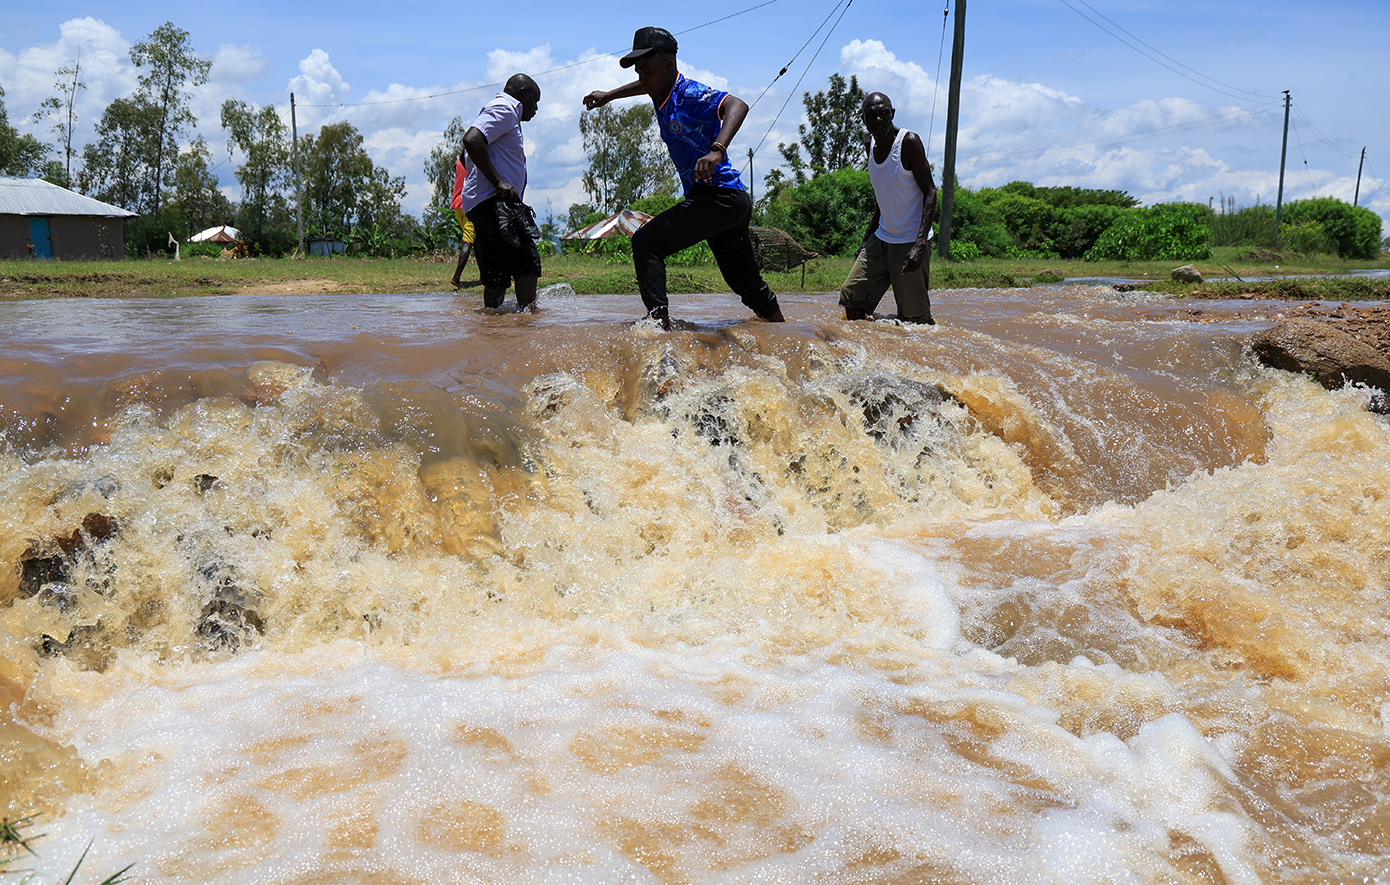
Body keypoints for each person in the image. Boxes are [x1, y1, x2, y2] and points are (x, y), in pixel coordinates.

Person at [583, 27, 785, 330]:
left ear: (668, 64)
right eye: (639, 71)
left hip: (719, 196)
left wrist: (718, 149)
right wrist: (609, 96)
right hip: (726, 201)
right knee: (745, 284)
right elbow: (642, 87)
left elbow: (736, 105)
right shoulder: (658, 91)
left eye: (646, 70)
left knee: (647, 242)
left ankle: (658, 328)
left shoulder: (688, 94)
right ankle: (785, 331)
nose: (642, 77)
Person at [839, 92, 938, 324]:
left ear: (892, 114)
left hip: (910, 241)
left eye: (884, 113)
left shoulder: (908, 142)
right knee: (852, 299)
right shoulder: (869, 146)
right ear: (864, 120)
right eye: (872, 116)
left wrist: (919, 244)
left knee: (916, 322)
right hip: (881, 239)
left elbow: (930, 192)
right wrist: (866, 239)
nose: (879, 120)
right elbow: (883, 198)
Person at [459, 73, 542, 310]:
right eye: (535, 102)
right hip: (495, 202)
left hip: (481, 203)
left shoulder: (500, 112)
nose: (536, 109)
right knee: (526, 262)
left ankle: (492, 325)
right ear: (522, 94)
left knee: (496, 270)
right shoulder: (504, 109)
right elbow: (472, 140)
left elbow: (467, 155)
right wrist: (498, 183)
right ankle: (527, 323)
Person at [449, 155, 475, 289]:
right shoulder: (475, 161)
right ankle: (456, 277)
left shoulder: (459, 161)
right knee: (468, 239)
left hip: (456, 204)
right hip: (468, 203)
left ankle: (484, 275)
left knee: (477, 239)